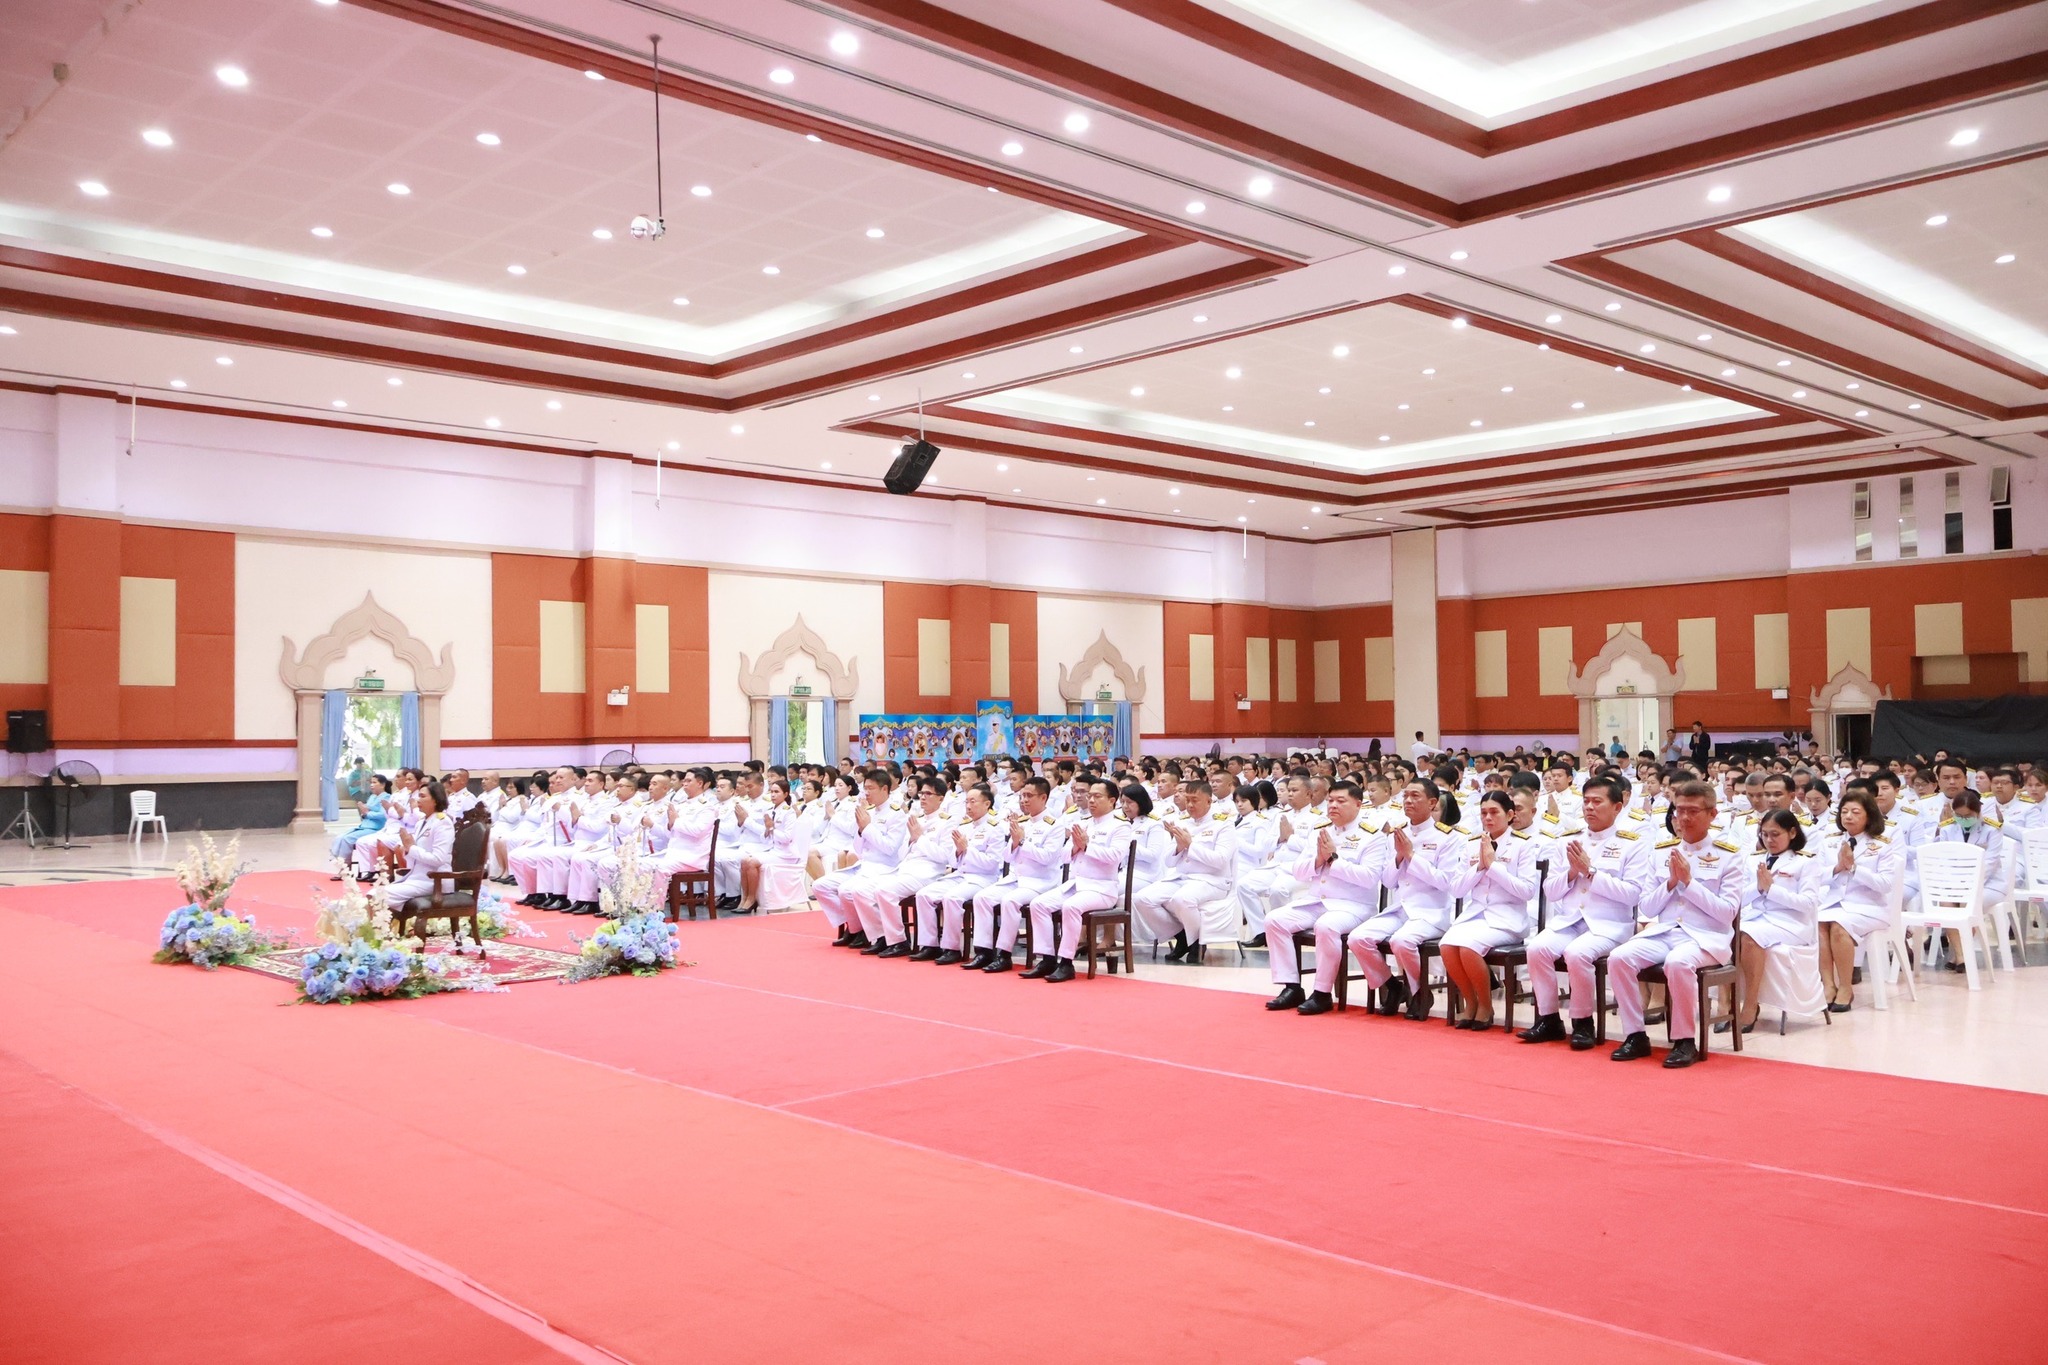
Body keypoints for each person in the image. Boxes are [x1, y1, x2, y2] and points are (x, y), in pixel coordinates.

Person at [1608, 781, 1747, 1067]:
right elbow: (1647, 907)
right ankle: (1635, 1035)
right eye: (1679, 810)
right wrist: (1671, 883)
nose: (1684, 818)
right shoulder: (1662, 852)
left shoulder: (1728, 855)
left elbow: (1726, 913)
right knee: (1619, 958)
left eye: (1693, 811)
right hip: (1666, 932)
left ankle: (1684, 1040)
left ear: (1712, 814)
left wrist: (1689, 883)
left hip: (1707, 938)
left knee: (1678, 962)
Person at [1518, 775, 1648, 1050]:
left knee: (1577, 954)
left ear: (1617, 807)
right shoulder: (1568, 840)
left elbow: (1632, 894)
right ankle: (1549, 1018)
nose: (1589, 807)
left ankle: (1582, 1022)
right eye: (1586, 801)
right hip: (1571, 921)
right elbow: (1550, 891)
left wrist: (1590, 872)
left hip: (1609, 925)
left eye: (1597, 802)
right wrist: (1571, 872)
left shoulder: (1632, 843)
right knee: (1537, 949)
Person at [1267, 781, 1388, 1015]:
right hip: (1317, 901)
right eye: (1331, 800)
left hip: (1353, 906)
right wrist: (1318, 860)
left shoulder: (1372, 836)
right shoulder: (1320, 830)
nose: (1333, 805)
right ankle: (1291, 986)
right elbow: (1299, 871)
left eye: (1341, 801)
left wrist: (1333, 859)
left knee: (1326, 926)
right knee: (1274, 920)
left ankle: (1322, 993)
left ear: (1358, 804)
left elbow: (1369, 878)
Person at [1347, 778, 1465, 1019]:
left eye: (1415, 796)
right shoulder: (1397, 833)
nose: (1408, 801)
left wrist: (1411, 856)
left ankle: (1420, 992)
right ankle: (1392, 986)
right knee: (1358, 938)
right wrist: (1399, 858)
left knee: (1402, 941)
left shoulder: (1448, 837)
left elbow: (1446, 882)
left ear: (1432, 803)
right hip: (1401, 909)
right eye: (1405, 796)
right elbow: (1388, 881)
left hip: (1430, 912)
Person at [1438, 791, 1540, 1029]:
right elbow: (1457, 889)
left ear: (1510, 815)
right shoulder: (1472, 844)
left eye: (1494, 812)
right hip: (1476, 915)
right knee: (1447, 945)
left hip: (1508, 918)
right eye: (1484, 813)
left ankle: (1485, 1005)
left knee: (1468, 948)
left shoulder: (1523, 845)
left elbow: (1527, 891)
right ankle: (1470, 1001)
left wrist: (1493, 867)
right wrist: (1479, 868)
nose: (1488, 818)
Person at [1724, 808, 1821, 1035]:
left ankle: (1750, 1004)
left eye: (1775, 834)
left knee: (1748, 936)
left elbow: (1808, 903)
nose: (1769, 840)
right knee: (1726, 934)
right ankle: (1726, 1002)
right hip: (1759, 919)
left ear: (1792, 833)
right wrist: (1759, 887)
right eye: (1765, 834)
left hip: (1791, 924)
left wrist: (1772, 890)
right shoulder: (1753, 859)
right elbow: (1737, 897)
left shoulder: (1805, 862)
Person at [1024, 777, 1126, 982]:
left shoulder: (1120, 827)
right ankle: (1047, 958)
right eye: (1090, 796)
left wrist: (1086, 846)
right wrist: (1076, 846)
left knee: (1070, 907)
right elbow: (1063, 856)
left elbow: (1114, 857)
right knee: (1038, 904)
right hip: (1076, 884)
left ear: (1112, 800)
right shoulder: (1083, 824)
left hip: (1101, 889)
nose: (1091, 800)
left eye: (1097, 796)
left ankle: (1066, 962)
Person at [1132, 780, 1236, 964]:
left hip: (1211, 880)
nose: (1189, 805)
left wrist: (1191, 845)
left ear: (1209, 801)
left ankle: (1196, 944)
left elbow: (1220, 860)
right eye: (1187, 800)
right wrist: (1179, 847)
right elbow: (1168, 861)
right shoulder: (1183, 822)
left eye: (1195, 800)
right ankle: (1181, 936)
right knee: (1141, 899)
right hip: (1181, 878)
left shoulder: (1223, 824)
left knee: (1182, 899)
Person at [969, 777, 1066, 972]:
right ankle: (984, 951)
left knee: (1010, 901)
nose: (1024, 800)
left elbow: (1047, 858)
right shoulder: (1023, 822)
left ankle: (1004, 954)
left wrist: (1022, 842)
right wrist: (1015, 843)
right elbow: (1006, 856)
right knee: (982, 898)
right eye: (1022, 796)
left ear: (1043, 797)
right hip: (1017, 878)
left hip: (1040, 882)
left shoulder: (1054, 825)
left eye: (1029, 796)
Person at [1816, 789, 1894, 1011]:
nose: (1848, 816)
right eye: (1844, 811)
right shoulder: (1829, 842)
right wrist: (1837, 868)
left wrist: (1854, 868)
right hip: (1833, 903)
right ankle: (1828, 985)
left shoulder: (1881, 845)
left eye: (1855, 812)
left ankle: (1846, 987)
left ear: (1869, 815)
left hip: (1869, 907)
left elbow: (1885, 884)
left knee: (1839, 927)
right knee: (1819, 925)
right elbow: (1815, 876)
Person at [914, 782, 1008, 964]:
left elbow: (992, 864)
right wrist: (959, 852)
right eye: (966, 802)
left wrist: (967, 850)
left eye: (973, 801)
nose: (968, 806)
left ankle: (952, 948)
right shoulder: (964, 826)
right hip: (961, 875)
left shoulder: (995, 828)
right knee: (924, 895)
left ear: (987, 804)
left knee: (952, 898)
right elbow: (952, 860)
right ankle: (929, 945)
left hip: (983, 878)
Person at [381, 781, 453, 918]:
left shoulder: (443, 822)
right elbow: (414, 854)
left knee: (377, 897)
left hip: (435, 881)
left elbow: (438, 859)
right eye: (418, 796)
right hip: (417, 878)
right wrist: (406, 848)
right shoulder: (421, 822)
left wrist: (411, 848)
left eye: (423, 796)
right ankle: (386, 930)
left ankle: (381, 931)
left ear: (436, 800)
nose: (418, 800)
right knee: (376, 895)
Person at [330, 772, 392, 876]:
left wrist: (367, 813)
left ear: (382, 785)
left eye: (374, 782)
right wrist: (364, 813)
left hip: (375, 828)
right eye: (371, 782)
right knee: (340, 837)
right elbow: (366, 811)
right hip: (364, 826)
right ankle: (338, 862)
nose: (371, 785)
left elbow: (383, 815)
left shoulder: (386, 797)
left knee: (347, 839)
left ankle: (345, 869)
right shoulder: (372, 797)